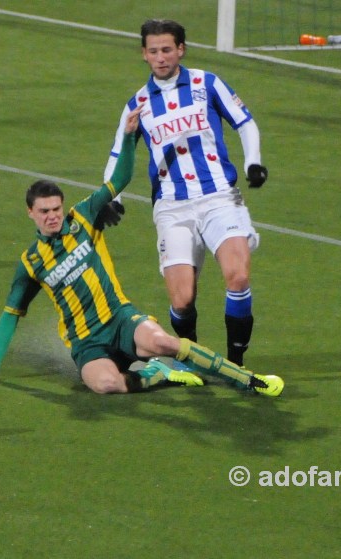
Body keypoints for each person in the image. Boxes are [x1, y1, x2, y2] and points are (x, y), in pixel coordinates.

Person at [0, 106, 283, 396]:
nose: (53, 215)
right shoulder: (30, 263)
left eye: (56, 208)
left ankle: (246, 378)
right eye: (44, 211)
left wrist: (129, 137)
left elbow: (120, 179)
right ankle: (157, 376)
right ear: (31, 213)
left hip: (120, 319)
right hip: (87, 344)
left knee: (164, 342)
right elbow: (10, 314)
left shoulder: (84, 216)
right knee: (107, 385)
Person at [102, 19, 267, 368]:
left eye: (167, 49)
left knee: (238, 276)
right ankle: (191, 359)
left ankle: (236, 362)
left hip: (220, 196)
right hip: (172, 208)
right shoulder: (138, 103)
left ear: (181, 50)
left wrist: (253, 163)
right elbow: (119, 152)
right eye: (153, 51)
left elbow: (244, 121)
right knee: (182, 300)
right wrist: (111, 196)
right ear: (144, 54)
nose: (161, 57)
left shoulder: (207, 84)